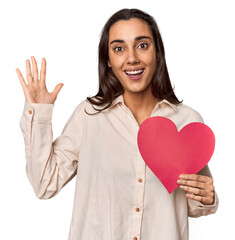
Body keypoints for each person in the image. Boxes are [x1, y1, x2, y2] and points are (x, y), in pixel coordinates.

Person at [16, 8, 218, 240]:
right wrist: (40, 114)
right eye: (119, 48)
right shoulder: (88, 116)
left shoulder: (187, 122)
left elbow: (191, 205)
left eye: (142, 45)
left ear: (158, 53)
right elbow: (45, 183)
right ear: (108, 60)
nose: (131, 58)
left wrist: (207, 197)